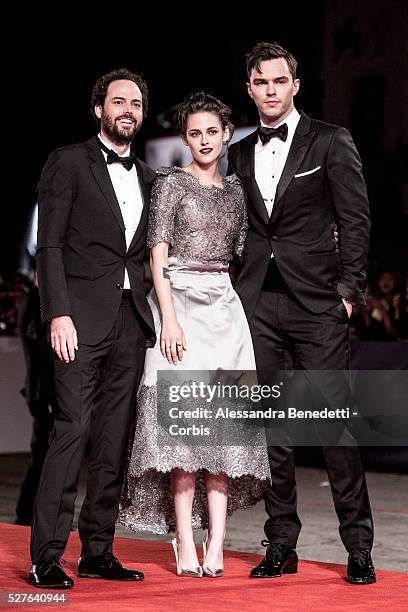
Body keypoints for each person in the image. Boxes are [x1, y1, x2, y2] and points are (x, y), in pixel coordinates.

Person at [228, 42, 375, 584]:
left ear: (295, 85)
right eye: (260, 81)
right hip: (257, 304)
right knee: (272, 432)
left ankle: (358, 548)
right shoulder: (239, 154)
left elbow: (355, 218)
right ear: (250, 88)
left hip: (318, 304)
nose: (270, 90)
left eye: (278, 81)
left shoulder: (331, 140)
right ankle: (280, 544)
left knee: (334, 429)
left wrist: (348, 290)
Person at [119, 92, 270, 578]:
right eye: (194, 133)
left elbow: (246, 255)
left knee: (221, 433)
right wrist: (169, 318)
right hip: (179, 305)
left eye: (212, 131)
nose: (204, 140)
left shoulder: (236, 192)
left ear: (227, 133)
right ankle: (183, 539)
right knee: (182, 434)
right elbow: (156, 255)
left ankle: (217, 543)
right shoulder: (170, 184)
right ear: (185, 138)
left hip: (225, 310)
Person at [29, 68, 156, 589]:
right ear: (98, 108)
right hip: (77, 321)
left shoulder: (151, 177)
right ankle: (45, 556)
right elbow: (50, 244)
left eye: (136, 104)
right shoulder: (67, 162)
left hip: (131, 319)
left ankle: (97, 550)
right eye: (118, 101)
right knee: (71, 431)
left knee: (113, 439)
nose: (128, 110)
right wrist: (57, 312)